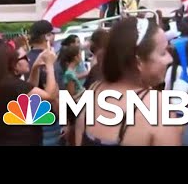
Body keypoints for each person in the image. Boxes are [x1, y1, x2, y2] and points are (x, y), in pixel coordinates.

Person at [75, 17, 182, 146]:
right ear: (138, 61)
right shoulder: (159, 109)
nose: (170, 59)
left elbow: (78, 139)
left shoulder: (94, 90)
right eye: (163, 52)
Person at [0, 43, 57, 146]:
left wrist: (35, 67)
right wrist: (50, 66)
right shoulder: (14, 85)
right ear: (14, 64)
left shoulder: (2, 82)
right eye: (24, 57)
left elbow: (30, 90)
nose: (28, 60)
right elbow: (50, 95)